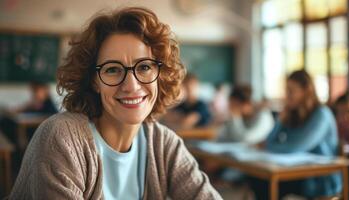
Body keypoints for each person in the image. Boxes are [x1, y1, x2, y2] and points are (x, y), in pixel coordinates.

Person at [9, 7, 222, 199]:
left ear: (160, 74)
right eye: (112, 69)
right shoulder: (63, 138)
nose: (131, 85)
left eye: (145, 67)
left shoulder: (163, 143)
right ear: (94, 81)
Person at [264, 70, 342, 198]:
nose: (287, 96)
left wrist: (270, 147)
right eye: (286, 90)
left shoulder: (321, 114)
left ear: (306, 91)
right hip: (297, 174)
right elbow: (269, 141)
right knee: (259, 179)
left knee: (266, 184)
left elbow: (294, 147)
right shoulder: (293, 114)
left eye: (291, 91)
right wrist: (280, 121)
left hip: (321, 181)